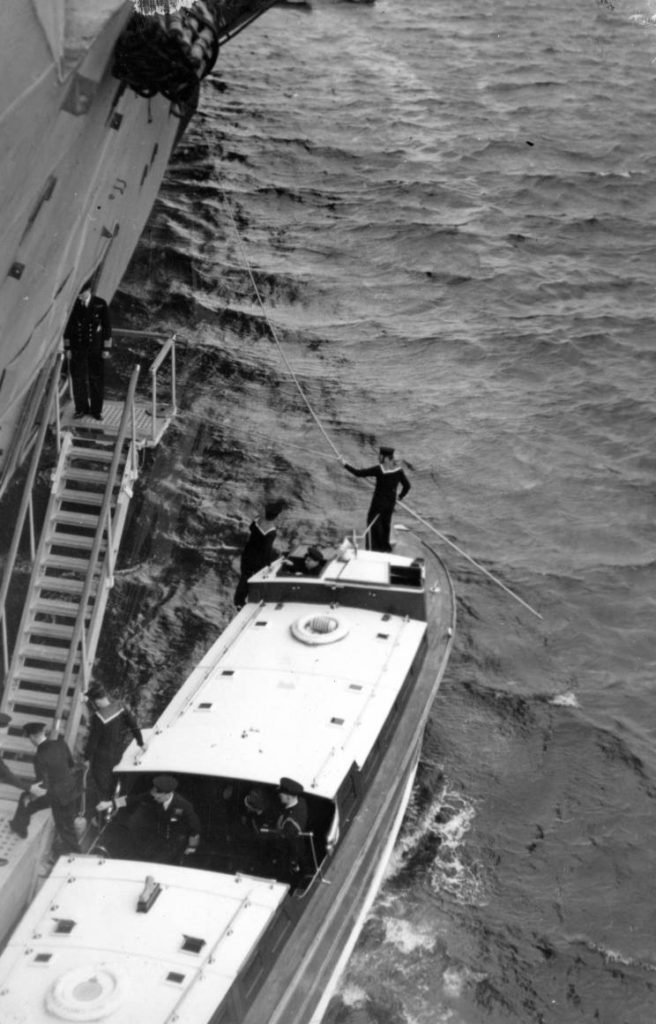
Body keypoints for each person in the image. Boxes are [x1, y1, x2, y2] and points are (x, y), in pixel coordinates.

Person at [97, 774, 200, 864]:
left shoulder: (184, 805)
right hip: (159, 834)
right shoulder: (153, 795)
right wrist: (110, 803)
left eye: (158, 797)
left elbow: (195, 827)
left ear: (168, 794)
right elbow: (132, 799)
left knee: (165, 862)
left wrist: (192, 846)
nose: (155, 798)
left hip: (175, 839)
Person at [13, 722, 81, 853]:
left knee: (65, 830)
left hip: (57, 798)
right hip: (71, 789)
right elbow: (71, 765)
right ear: (43, 733)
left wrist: (30, 795)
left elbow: (42, 785)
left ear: (32, 737)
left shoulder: (39, 756)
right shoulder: (61, 743)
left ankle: (76, 855)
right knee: (68, 828)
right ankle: (18, 826)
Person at [83, 684, 144, 807]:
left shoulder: (98, 717)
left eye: (93, 702)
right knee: (113, 783)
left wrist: (86, 758)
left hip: (101, 760)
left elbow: (93, 742)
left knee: (102, 789)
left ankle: (99, 815)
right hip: (118, 754)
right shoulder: (121, 706)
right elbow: (134, 725)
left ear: (97, 701)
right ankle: (111, 807)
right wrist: (141, 743)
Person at [343, 446, 411, 552]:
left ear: (387, 458)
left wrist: (344, 464)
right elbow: (407, 486)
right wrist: (399, 496)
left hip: (378, 504)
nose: (379, 458)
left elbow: (358, 473)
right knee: (385, 525)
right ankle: (385, 548)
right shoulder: (399, 471)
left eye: (381, 456)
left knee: (372, 525)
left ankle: (373, 549)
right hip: (390, 504)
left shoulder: (379, 469)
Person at [63, 281, 112, 421]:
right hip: (77, 349)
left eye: (82, 293)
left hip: (95, 349)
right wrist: (67, 348)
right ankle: (81, 409)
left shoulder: (100, 304)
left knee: (96, 379)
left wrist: (106, 348)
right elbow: (68, 328)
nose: (80, 297)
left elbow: (107, 328)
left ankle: (97, 411)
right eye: (78, 294)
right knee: (78, 379)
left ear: (89, 290)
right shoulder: (74, 305)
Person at [234, 499, 286, 609]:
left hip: (248, 552)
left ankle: (239, 600)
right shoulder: (271, 531)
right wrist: (267, 565)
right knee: (250, 579)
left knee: (244, 575)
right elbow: (266, 550)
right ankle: (241, 601)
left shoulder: (258, 520)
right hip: (257, 559)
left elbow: (251, 528)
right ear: (276, 516)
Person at [275, 776, 308, 882]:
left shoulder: (290, 824)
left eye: (281, 794)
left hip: (289, 853)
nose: (279, 795)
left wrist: (293, 863)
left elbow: (293, 846)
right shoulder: (301, 802)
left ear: (288, 797)